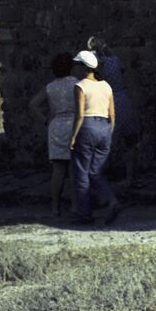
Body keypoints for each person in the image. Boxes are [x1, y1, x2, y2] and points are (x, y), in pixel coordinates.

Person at [68, 50, 118, 226]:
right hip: (104, 127)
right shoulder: (106, 85)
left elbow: (80, 114)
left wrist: (73, 137)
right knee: (96, 171)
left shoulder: (80, 86)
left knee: (81, 172)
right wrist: (109, 132)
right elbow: (112, 114)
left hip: (87, 126)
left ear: (83, 67)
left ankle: (84, 213)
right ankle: (110, 200)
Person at [88, 35, 141, 189]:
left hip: (107, 103)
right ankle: (130, 178)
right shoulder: (115, 61)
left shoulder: (97, 65)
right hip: (123, 100)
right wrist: (107, 49)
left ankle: (100, 179)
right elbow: (122, 69)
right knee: (130, 141)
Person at [28, 52, 77, 217]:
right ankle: (74, 205)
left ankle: (55, 206)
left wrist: (44, 121)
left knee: (58, 170)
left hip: (56, 126)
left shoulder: (50, 87)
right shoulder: (77, 85)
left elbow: (33, 105)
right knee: (74, 169)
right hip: (73, 126)